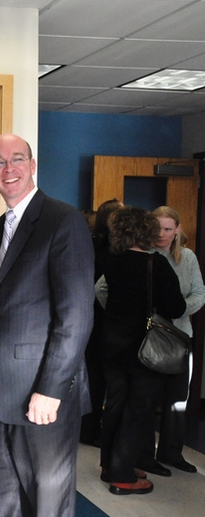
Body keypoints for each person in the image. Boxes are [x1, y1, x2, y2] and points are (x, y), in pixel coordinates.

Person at [0, 133, 94, 517]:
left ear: (32, 165)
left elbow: (77, 314)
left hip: (44, 393)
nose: (7, 169)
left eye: (16, 160)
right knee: (6, 498)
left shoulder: (62, 220)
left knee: (49, 500)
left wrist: (50, 389)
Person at [95, 207, 186, 495]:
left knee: (115, 405)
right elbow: (176, 308)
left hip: (111, 342)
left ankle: (110, 465)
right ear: (146, 231)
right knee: (138, 411)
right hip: (144, 348)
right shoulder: (155, 264)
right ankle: (123, 476)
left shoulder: (109, 258)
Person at [144, 207, 204, 473]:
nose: (162, 234)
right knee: (146, 399)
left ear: (177, 229)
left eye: (168, 229)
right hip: (149, 337)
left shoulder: (187, 258)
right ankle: (145, 455)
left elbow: (199, 294)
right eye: (157, 228)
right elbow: (102, 288)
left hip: (180, 337)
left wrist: (177, 311)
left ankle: (172, 452)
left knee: (178, 399)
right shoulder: (141, 253)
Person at [80, 198, 124, 446]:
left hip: (89, 317)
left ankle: (88, 428)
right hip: (106, 318)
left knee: (92, 376)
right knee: (102, 378)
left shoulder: (89, 243)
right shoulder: (113, 250)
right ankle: (96, 431)